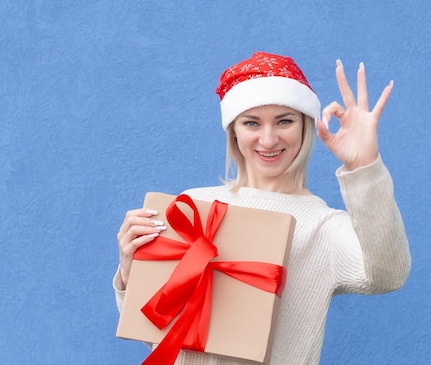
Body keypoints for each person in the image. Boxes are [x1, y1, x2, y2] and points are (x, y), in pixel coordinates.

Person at [113, 51, 411, 365]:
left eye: (284, 121)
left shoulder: (325, 228)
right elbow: (156, 335)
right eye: (252, 123)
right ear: (233, 130)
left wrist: (364, 168)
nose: (268, 140)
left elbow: (388, 275)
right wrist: (130, 270)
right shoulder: (190, 208)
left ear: (304, 127)